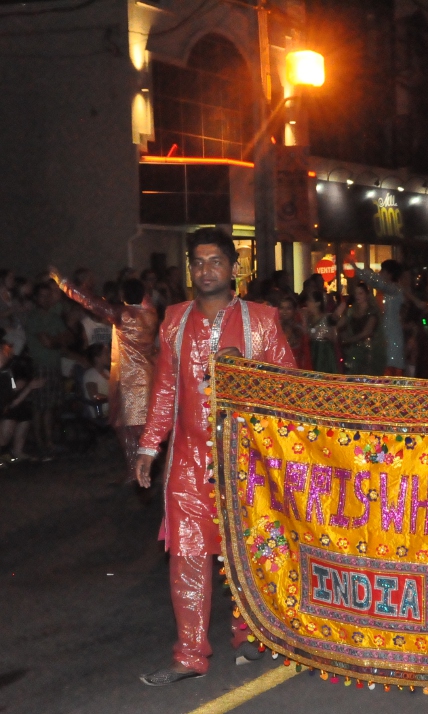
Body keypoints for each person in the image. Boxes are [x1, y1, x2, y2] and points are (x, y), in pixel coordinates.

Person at [135, 227, 295, 686]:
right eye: (198, 263)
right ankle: (189, 654)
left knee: (247, 550)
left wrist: (249, 371)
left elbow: (289, 386)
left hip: (246, 458)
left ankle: (248, 632)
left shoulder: (262, 320)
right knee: (186, 553)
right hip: (186, 460)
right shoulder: (174, 319)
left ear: (234, 269)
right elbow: (166, 387)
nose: (206, 270)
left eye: (215, 262)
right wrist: (150, 445)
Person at [52, 271, 159, 478]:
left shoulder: (122, 314)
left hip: (128, 381)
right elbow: (140, 296)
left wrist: (63, 282)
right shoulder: (151, 313)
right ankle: (146, 470)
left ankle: (135, 473)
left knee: (127, 430)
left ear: (123, 296)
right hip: (147, 377)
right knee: (144, 428)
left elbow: (89, 302)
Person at [23, 280, 72, 458]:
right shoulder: (35, 318)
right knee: (40, 407)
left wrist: (56, 340)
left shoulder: (53, 317)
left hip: (53, 364)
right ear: (36, 298)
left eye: (47, 296)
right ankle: (41, 442)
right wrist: (57, 340)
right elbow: (48, 341)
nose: (45, 299)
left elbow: (68, 337)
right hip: (40, 366)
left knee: (50, 406)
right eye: (41, 296)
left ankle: (49, 441)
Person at [353, 259, 406, 376]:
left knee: (391, 365)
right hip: (384, 330)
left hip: (393, 332)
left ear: (389, 274)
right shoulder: (386, 290)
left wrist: (359, 270)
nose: (380, 273)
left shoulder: (395, 289)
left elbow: (378, 283)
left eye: (383, 271)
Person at [0, 329, 44, 463]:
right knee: (11, 416)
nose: (9, 352)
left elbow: (11, 390)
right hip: (4, 408)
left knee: (24, 413)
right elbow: (9, 404)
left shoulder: (7, 370)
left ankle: (17, 452)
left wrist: (19, 386)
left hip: (6, 404)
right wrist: (29, 387)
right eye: (5, 350)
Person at [337, 282, 387, 376]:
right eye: (356, 293)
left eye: (361, 293)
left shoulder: (372, 311)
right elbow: (340, 324)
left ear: (366, 295)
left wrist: (348, 340)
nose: (357, 296)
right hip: (354, 351)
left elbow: (366, 332)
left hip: (369, 352)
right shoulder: (351, 311)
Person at [300, 288, 341, 373]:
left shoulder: (327, 318)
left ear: (318, 303)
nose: (307, 302)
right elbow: (305, 335)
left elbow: (338, 316)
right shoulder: (308, 318)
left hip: (324, 354)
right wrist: (304, 320)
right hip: (311, 352)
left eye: (310, 300)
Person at [275, 294, 312, 370]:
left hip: (296, 371)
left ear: (294, 310)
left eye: (288, 308)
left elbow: (306, 356)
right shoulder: (274, 329)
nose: (284, 311)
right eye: (281, 308)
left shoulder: (299, 331)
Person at [82, 343, 111, 420]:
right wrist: (111, 398)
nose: (109, 355)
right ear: (97, 358)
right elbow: (94, 396)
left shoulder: (106, 372)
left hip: (111, 410)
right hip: (101, 413)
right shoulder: (91, 374)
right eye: (106, 353)